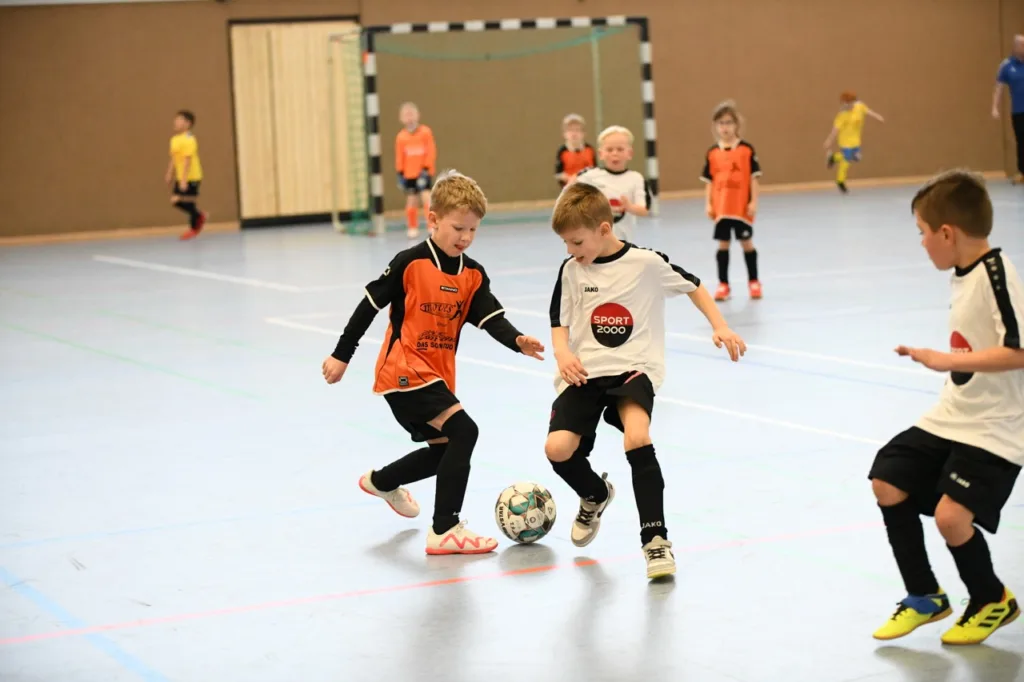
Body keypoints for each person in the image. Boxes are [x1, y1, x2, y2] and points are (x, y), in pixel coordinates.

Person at [321, 170, 546, 555]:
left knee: (445, 453)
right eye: (458, 227)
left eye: (473, 230)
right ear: (433, 220)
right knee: (465, 432)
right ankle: (445, 529)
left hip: (436, 375)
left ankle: (382, 481)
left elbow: (489, 317)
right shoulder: (410, 262)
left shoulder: (472, 274)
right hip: (403, 369)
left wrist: (517, 341)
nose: (465, 237)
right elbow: (369, 305)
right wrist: (342, 354)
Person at [544, 181, 747, 580]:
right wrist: (563, 353)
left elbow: (695, 286)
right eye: (566, 244)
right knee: (557, 449)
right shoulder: (571, 270)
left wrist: (720, 325)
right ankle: (595, 495)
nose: (571, 251)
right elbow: (559, 319)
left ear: (604, 229)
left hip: (635, 367)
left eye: (577, 241)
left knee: (637, 435)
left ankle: (656, 541)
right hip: (587, 370)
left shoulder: (646, 263)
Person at [868, 169, 1023, 645]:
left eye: (922, 233)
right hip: (955, 415)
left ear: (948, 233)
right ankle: (924, 596)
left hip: (999, 426)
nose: (921, 243)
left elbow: (1018, 351)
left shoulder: (998, 274)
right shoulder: (963, 272)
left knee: (952, 518)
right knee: (887, 479)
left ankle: (990, 599)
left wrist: (942, 359)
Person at [701, 100, 762, 302]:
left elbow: (754, 178)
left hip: (741, 207)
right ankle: (723, 284)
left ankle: (754, 281)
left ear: (736, 125)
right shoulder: (712, 152)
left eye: (728, 122)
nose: (725, 127)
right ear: (715, 126)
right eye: (721, 123)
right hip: (722, 208)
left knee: (746, 243)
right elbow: (709, 181)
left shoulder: (746, 150)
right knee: (723, 245)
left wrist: (754, 202)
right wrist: (708, 203)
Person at [571, 125, 651, 243]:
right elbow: (569, 192)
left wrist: (629, 207)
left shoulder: (636, 179)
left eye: (620, 149)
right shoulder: (589, 176)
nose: (615, 153)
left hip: (624, 241)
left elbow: (644, 210)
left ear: (629, 153)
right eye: (609, 149)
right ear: (601, 154)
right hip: (595, 241)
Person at [823, 91, 884, 193]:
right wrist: (829, 140)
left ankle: (833, 157)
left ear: (853, 102)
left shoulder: (860, 106)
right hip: (845, 141)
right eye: (845, 103)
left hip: (856, 140)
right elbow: (835, 129)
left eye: (849, 103)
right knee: (846, 161)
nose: (847, 105)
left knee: (856, 158)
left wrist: (878, 117)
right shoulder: (842, 115)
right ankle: (840, 181)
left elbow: (868, 111)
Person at [395, 102, 437, 239]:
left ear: (418, 115)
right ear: (401, 118)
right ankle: (412, 227)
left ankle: (431, 226)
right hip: (409, 174)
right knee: (411, 200)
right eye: (406, 115)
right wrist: (400, 173)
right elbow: (400, 156)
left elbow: (430, 151)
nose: (409, 118)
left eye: (412, 114)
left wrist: (427, 169)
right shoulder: (401, 137)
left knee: (427, 198)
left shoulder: (425, 132)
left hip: (423, 172)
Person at [166, 110, 207, 241]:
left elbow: (187, 161)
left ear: (188, 124)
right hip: (180, 176)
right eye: (176, 119)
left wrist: (184, 180)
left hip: (192, 176)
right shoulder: (174, 140)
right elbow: (174, 158)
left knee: (183, 201)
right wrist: (169, 173)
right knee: (177, 201)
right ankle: (198, 219)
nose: (176, 122)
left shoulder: (189, 139)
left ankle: (194, 226)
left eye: (179, 120)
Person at [992, 34, 1024, 185]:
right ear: (1015, 46)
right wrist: (995, 108)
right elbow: (999, 88)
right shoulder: (1006, 65)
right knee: (1021, 141)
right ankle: (1022, 171)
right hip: (1018, 111)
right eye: (1021, 45)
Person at [554, 113, 597, 188]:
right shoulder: (562, 151)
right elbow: (559, 174)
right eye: (570, 130)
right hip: (569, 188)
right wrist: (572, 179)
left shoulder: (589, 149)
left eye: (577, 130)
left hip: (588, 188)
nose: (574, 133)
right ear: (564, 134)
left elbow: (595, 170)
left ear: (583, 133)